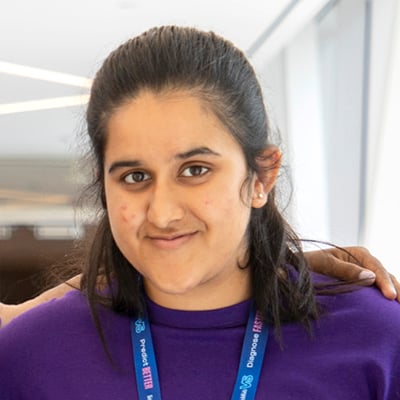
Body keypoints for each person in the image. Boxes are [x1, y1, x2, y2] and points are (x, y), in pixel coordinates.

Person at [0, 26, 399, 399]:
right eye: (135, 176)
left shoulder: (376, 339)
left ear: (261, 176)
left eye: (195, 170)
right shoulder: (29, 357)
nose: (163, 213)